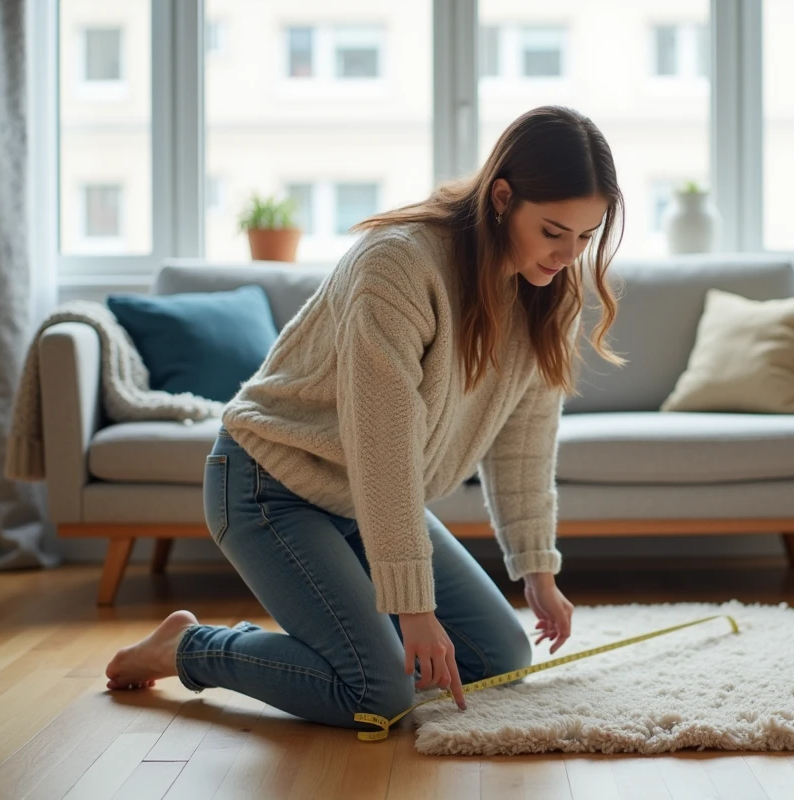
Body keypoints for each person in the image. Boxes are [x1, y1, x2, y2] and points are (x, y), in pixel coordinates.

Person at [102, 105, 628, 731]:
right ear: (502, 198)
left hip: (361, 501)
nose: (568, 255)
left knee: (500, 657)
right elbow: (384, 449)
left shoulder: (549, 296)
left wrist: (538, 571)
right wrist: (414, 610)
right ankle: (188, 648)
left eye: (586, 237)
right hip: (269, 486)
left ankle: (354, 647)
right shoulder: (398, 265)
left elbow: (524, 444)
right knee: (380, 693)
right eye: (553, 231)